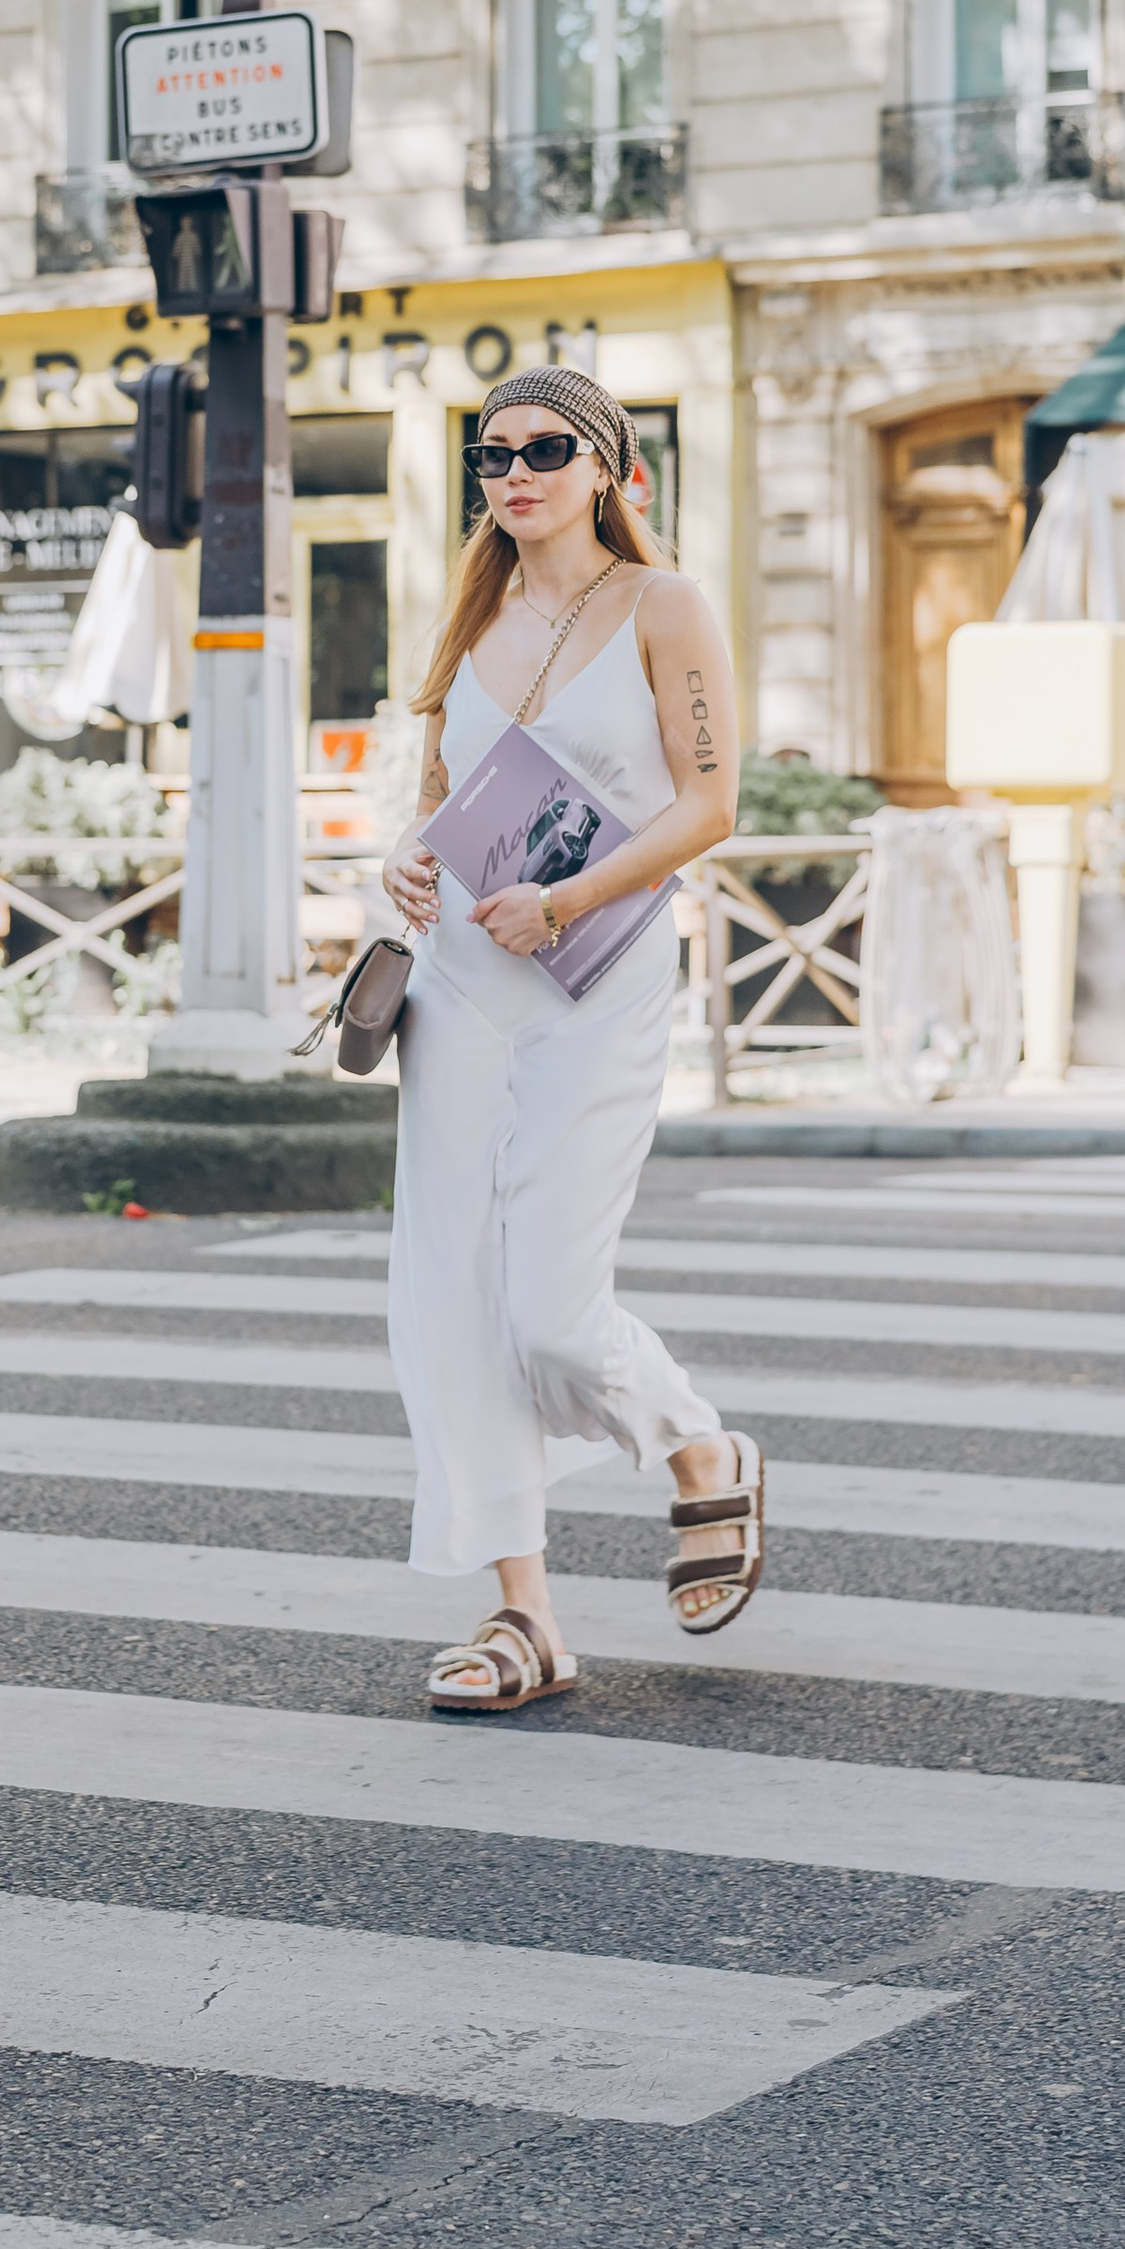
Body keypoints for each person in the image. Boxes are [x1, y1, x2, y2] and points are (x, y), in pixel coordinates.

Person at [380, 367, 758, 1714]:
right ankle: (521, 1615)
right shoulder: (470, 613)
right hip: (461, 987)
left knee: (547, 1309)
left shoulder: (665, 606)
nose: (515, 472)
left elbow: (711, 803)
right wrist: (410, 869)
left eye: (545, 449)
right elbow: (438, 798)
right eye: (492, 455)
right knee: (452, 1303)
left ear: (606, 467)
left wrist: (573, 897)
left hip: (597, 976)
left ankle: (697, 1448)